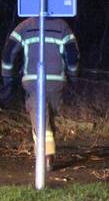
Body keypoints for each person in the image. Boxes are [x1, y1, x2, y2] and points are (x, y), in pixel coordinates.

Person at [0, 17, 80, 169]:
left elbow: (8, 54)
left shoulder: (24, 26)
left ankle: (46, 155)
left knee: (40, 116)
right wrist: (73, 77)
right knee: (47, 116)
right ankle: (47, 156)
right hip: (56, 81)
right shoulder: (62, 27)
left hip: (33, 79)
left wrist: (7, 77)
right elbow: (73, 56)